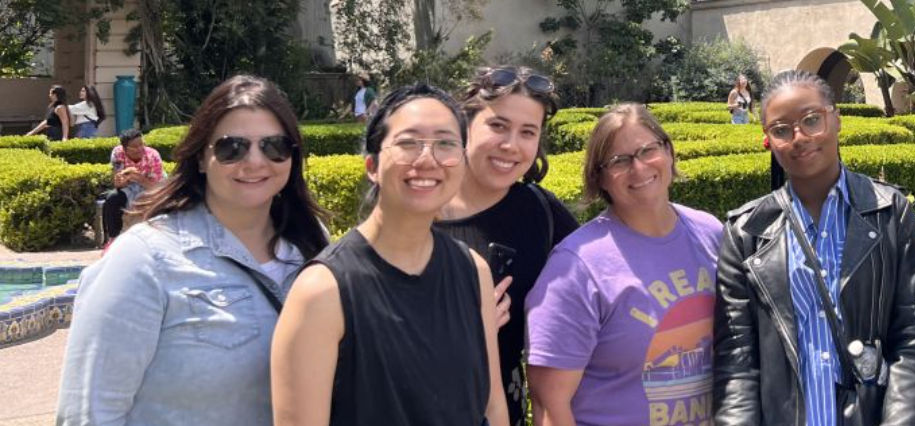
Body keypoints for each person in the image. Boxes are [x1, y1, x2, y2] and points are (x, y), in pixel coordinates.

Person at [56, 75, 330, 426]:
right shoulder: (144, 260)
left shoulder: (311, 243)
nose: (256, 161)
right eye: (233, 147)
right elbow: (89, 415)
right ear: (202, 157)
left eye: (274, 146)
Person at [272, 82, 507, 426]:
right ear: (372, 165)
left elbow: (492, 406)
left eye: (446, 143)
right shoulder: (323, 290)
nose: (428, 159)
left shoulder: (474, 270)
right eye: (408, 143)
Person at [714, 70, 915, 426]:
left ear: (837, 119)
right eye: (781, 129)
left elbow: (910, 336)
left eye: (812, 120)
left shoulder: (889, 212)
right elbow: (738, 361)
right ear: (768, 139)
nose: (799, 137)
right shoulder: (746, 232)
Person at [525, 103, 723, 426]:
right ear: (599, 178)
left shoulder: (710, 232)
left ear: (669, 152)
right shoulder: (576, 267)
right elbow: (550, 405)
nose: (639, 167)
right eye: (619, 161)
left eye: (648, 150)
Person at [436, 66, 580, 426]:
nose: (511, 145)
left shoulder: (542, 214)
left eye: (527, 132)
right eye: (498, 126)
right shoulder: (415, 207)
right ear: (464, 125)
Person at [102, 127, 167, 243]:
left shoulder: (153, 156)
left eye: (141, 144)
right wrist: (120, 182)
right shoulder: (118, 153)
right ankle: (113, 238)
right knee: (112, 199)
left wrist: (139, 178)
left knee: (152, 202)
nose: (140, 149)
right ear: (125, 148)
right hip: (129, 187)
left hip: (152, 186)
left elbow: (156, 187)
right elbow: (117, 181)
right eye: (135, 147)